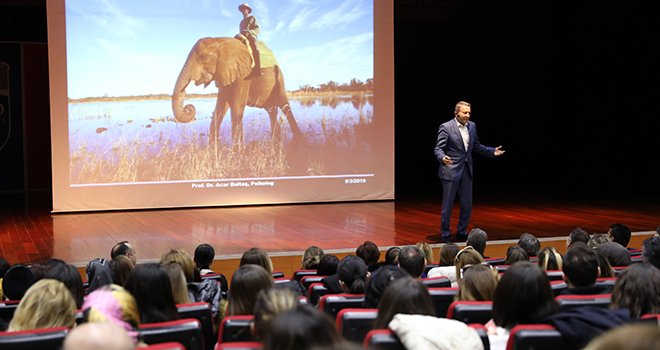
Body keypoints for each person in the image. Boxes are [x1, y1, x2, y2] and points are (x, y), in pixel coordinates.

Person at [434, 101, 505, 242]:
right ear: (456, 113)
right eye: (464, 112)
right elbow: (438, 148)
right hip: (451, 170)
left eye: (469, 113)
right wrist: (443, 157)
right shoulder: (446, 127)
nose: (467, 115)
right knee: (447, 206)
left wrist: (492, 151)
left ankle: (462, 231)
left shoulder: (472, 126)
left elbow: (476, 146)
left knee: (467, 205)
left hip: (466, 170)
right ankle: (445, 233)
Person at [237, 3, 263, 78]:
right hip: (242, 36)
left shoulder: (252, 18)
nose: (243, 10)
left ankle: (258, 68)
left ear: (248, 10)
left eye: (245, 9)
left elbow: (256, 28)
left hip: (251, 36)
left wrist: (250, 33)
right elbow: (241, 31)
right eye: (242, 9)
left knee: (254, 47)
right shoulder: (241, 22)